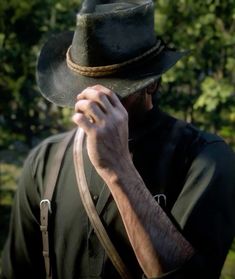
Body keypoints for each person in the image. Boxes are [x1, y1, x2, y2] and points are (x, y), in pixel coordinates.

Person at [2, 1, 235, 278]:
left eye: (115, 89)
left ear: (152, 82)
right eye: (83, 88)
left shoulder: (205, 159)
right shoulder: (45, 162)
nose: (92, 100)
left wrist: (118, 168)